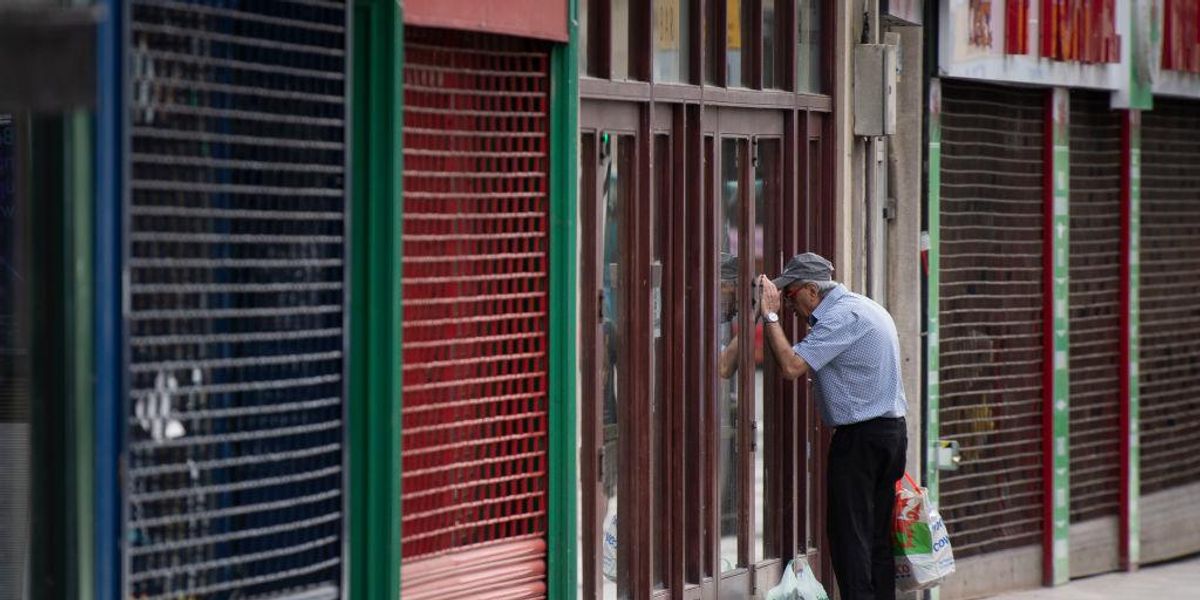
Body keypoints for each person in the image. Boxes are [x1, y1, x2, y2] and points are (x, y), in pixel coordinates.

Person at [756, 252, 907, 600]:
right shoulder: (863, 306)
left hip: (862, 438)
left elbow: (792, 366)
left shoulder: (842, 317)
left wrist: (771, 316)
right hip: (888, 434)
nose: (789, 305)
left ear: (811, 290)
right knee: (874, 536)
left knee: (849, 537)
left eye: (790, 295)